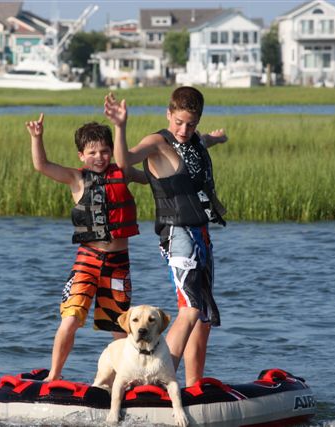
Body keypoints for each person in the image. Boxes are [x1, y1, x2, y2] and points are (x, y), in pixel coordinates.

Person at [107, 88, 228, 387]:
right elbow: (124, 160)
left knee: (203, 318)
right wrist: (120, 126)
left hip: (201, 234)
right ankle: (160, 381)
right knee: (189, 310)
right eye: (179, 122)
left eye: (191, 124)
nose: (184, 130)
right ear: (168, 114)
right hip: (178, 234)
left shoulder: (196, 139)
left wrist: (217, 137)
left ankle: (194, 386)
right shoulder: (158, 142)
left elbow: (205, 141)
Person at [25, 108, 146, 383]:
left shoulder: (123, 173)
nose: (99, 157)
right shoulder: (76, 178)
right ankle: (53, 375)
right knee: (70, 319)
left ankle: (126, 380)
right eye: (92, 153)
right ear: (81, 155)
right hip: (87, 261)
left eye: (105, 151)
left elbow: (153, 176)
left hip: (118, 265)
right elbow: (42, 165)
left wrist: (121, 127)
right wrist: (37, 137)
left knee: (121, 327)